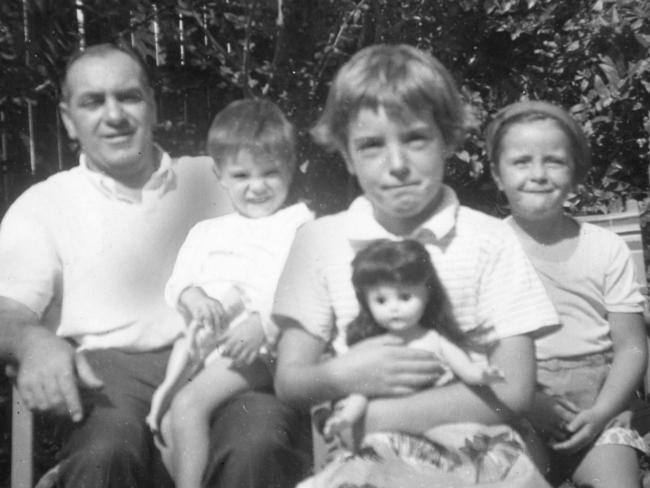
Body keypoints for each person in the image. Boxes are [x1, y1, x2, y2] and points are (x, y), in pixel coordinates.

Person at [0, 43, 309, 488]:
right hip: (112, 374)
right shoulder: (44, 206)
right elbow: (8, 313)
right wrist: (33, 344)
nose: (114, 115)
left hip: (227, 358)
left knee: (257, 441)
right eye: (93, 102)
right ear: (69, 120)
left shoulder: (226, 176)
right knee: (106, 448)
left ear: (152, 104)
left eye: (128, 96)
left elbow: (304, 249)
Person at [272, 43, 559, 487]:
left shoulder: (488, 239)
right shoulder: (319, 241)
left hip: (478, 453)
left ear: (446, 139)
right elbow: (290, 381)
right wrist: (340, 374)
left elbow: (515, 389)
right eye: (370, 146)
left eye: (415, 138)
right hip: (371, 458)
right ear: (347, 156)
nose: (398, 164)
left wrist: (381, 415)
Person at [146, 98, 313, 488]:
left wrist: (262, 323)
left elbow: (299, 286)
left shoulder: (296, 223)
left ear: (291, 167)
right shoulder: (208, 232)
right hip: (208, 348)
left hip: (263, 351)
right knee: (169, 420)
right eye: (241, 176)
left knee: (188, 406)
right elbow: (180, 282)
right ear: (220, 175)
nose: (257, 187)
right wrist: (195, 297)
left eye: (270, 173)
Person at [487, 100, 649, 488]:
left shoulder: (606, 248)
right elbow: (472, 342)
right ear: (497, 174)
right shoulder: (486, 247)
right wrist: (526, 401)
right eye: (521, 161)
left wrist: (603, 412)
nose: (538, 174)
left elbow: (631, 346)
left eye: (555, 161)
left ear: (575, 173)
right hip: (515, 402)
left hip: (597, 403)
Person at [323, 238, 503, 441]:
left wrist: (483, 375)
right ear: (366, 303)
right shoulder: (374, 348)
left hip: (441, 422)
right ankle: (349, 423)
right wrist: (345, 417)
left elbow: (467, 370)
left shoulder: (434, 340)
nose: (394, 308)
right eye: (381, 300)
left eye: (405, 297)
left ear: (427, 295)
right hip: (391, 429)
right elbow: (359, 392)